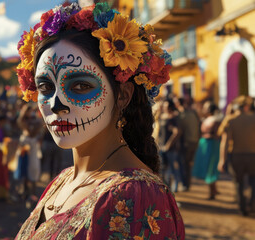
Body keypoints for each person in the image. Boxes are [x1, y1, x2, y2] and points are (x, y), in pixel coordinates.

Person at [15, 3, 184, 239]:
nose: (56, 104)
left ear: (123, 95)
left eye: (81, 86)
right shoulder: (63, 179)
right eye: (45, 87)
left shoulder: (136, 195)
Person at [218, 96, 255, 216]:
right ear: (247, 106)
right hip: (252, 156)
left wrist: (222, 160)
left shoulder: (230, 120)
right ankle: (253, 204)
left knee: (239, 183)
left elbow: (224, 141)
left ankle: (243, 207)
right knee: (253, 182)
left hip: (236, 156)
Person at [192, 101, 221, 199]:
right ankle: (214, 190)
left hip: (211, 145)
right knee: (207, 166)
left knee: (210, 166)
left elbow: (217, 135)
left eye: (205, 107)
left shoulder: (215, 120)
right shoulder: (206, 119)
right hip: (204, 144)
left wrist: (208, 135)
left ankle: (212, 191)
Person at [175, 97, 200, 190]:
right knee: (188, 164)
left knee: (184, 164)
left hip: (185, 143)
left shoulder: (181, 115)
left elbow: (179, 131)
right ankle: (187, 183)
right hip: (194, 141)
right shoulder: (193, 113)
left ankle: (186, 184)